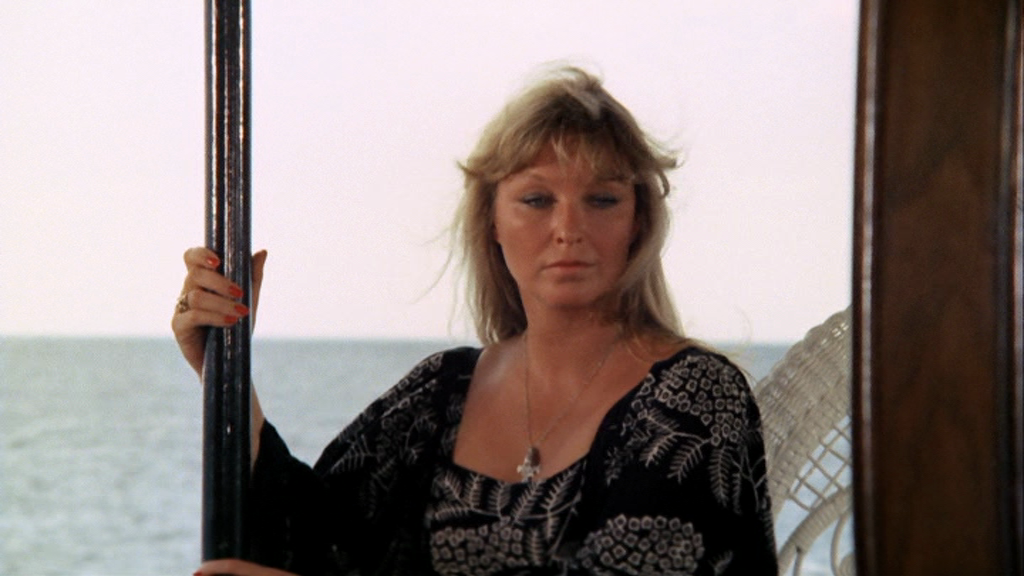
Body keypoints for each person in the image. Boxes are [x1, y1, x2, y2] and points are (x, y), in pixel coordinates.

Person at [175, 67, 778, 576]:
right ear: (492, 221)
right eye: (537, 200)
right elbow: (310, 530)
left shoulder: (695, 399)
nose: (568, 229)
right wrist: (225, 371)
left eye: (602, 199)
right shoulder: (441, 394)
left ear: (637, 222)